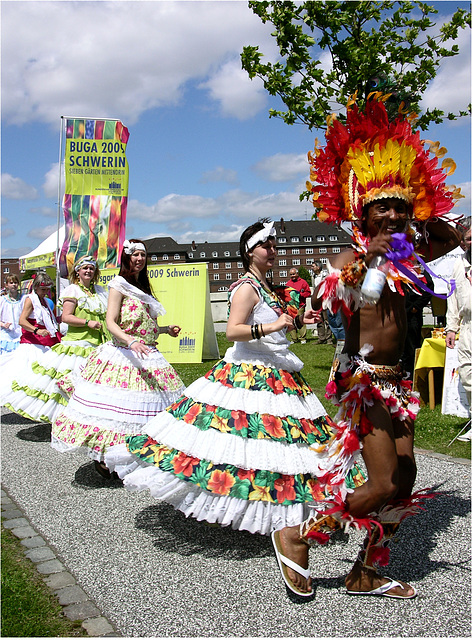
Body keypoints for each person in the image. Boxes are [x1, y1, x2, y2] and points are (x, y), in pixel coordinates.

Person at [105, 219, 365, 597]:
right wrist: (273, 325)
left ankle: (283, 516)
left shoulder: (266, 287)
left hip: (278, 374)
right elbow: (233, 330)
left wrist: (294, 323)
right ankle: (265, 516)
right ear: (250, 251)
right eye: (268, 246)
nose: (273, 251)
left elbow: (274, 325)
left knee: (281, 449)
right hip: (249, 373)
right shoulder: (245, 286)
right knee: (245, 445)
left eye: (275, 245)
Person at [271, 94, 462, 599]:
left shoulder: (408, 256)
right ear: (365, 213)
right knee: (379, 483)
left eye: (402, 206)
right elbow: (339, 292)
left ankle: (367, 570)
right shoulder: (349, 255)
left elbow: (448, 245)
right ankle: (299, 534)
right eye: (384, 207)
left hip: (397, 383)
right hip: (364, 383)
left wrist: (438, 231)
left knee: (404, 479)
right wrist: (368, 260)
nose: (395, 215)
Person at [51, 239, 185, 479]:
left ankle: (137, 455)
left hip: (148, 354)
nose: (140, 259)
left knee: (149, 407)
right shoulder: (118, 284)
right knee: (119, 411)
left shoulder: (143, 288)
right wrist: (130, 340)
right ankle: (105, 458)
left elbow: (147, 326)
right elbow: (111, 322)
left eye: (143, 255)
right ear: (126, 257)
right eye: (135, 254)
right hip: (124, 354)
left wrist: (165, 330)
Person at [2, 256, 109, 423]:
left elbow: (59, 319)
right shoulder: (68, 292)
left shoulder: (99, 292)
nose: (88, 271)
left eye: (91, 268)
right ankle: (68, 417)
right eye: (85, 268)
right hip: (41, 341)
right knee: (47, 378)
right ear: (78, 271)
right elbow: (25, 320)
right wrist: (37, 329)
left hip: (89, 343)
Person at [1, 272, 61, 409]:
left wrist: (58, 319)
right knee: (30, 376)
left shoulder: (45, 301)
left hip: (46, 341)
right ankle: (25, 405)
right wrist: (36, 330)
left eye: (47, 289)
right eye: (43, 289)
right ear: (36, 287)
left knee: (43, 377)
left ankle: (38, 405)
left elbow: (46, 319)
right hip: (33, 342)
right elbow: (22, 320)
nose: (46, 292)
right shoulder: (30, 299)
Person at [446, 220, 471, 441]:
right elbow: (452, 300)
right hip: (468, 327)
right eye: (468, 239)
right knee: (467, 374)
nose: (471, 243)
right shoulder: (458, 266)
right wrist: (451, 328)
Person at [401, 267, 434, 379]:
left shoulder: (416, 266)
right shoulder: (392, 264)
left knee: (411, 351)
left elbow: (429, 287)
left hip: (411, 317)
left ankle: (412, 381)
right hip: (396, 316)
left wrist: (416, 306)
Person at [285, 268, 311, 343]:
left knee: (301, 321)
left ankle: (303, 338)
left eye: (293, 274)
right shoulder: (288, 284)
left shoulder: (303, 282)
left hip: (300, 305)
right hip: (291, 306)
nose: (292, 276)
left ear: (297, 274)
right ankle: (294, 338)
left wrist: (300, 295)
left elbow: (308, 292)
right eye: (291, 274)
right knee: (291, 322)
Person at [0, 275, 24, 354]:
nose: (14, 284)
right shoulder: (2, 300)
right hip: (6, 334)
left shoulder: (23, 299)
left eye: (15, 282)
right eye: (11, 283)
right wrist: (3, 324)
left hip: (20, 332)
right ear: (6, 285)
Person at [310, 262, 332, 344]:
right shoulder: (313, 277)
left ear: (318, 267)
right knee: (319, 320)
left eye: (313, 266)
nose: (311, 268)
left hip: (325, 300)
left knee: (327, 320)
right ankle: (321, 338)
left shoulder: (325, 275)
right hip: (317, 301)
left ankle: (329, 338)